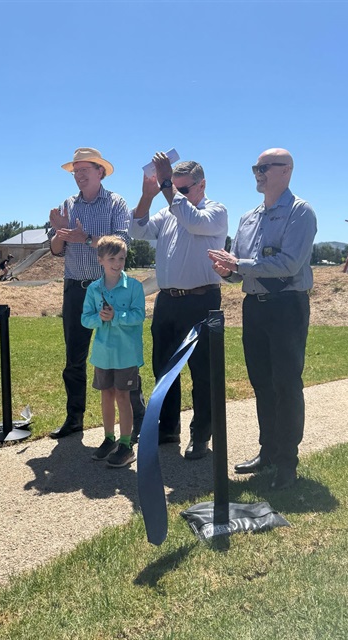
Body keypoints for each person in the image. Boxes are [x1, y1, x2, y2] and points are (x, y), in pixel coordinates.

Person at [208, 148, 317, 490]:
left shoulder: (300, 212)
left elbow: (289, 264)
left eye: (263, 167)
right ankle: (267, 452)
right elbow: (240, 270)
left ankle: (287, 462)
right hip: (255, 307)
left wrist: (238, 264)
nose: (257, 173)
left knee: (286, 384)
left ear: (286, 171)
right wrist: (227, 271)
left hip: (287, 307)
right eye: (254, 167)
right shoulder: (249, 218)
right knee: (261, 383)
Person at [129, 153, 228, 459]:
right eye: (174, 188)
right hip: (168, 300)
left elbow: (192, 220)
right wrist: (147, 197)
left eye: (184, 189)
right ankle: (168, 428)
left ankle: (201, 436)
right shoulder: (169, 210)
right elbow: (138, 231)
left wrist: (168, 185)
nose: (177, 193)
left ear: (202, 185)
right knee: (164, 369)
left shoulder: (215, 211)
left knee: (203, 373)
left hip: (202, 300)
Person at [47, 147, 145, 438]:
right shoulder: (68, 204)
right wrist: (58, 234)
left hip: (110, 290)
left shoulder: (116, 203)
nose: (78, 175)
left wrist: (85, 237)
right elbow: (56, 251)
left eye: (84, 170)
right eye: (75, 171)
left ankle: (137, 418)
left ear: (100, 172)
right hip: (76, 289)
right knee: (74, 360)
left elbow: (123, 243)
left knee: (122, 357)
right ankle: (74, 418)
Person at [81, 236, 145, 467]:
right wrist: (99, 318)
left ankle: (126, 445)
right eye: (112, 259)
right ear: (100, 260)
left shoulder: (135, 287)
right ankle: (109, 439)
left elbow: (139, 315)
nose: (117, 263)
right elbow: (85, 319)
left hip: (126, 354)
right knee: (106, 394)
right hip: (102, 353)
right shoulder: (93, 289)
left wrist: (117, 316)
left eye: (121, 258)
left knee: (122, 396)